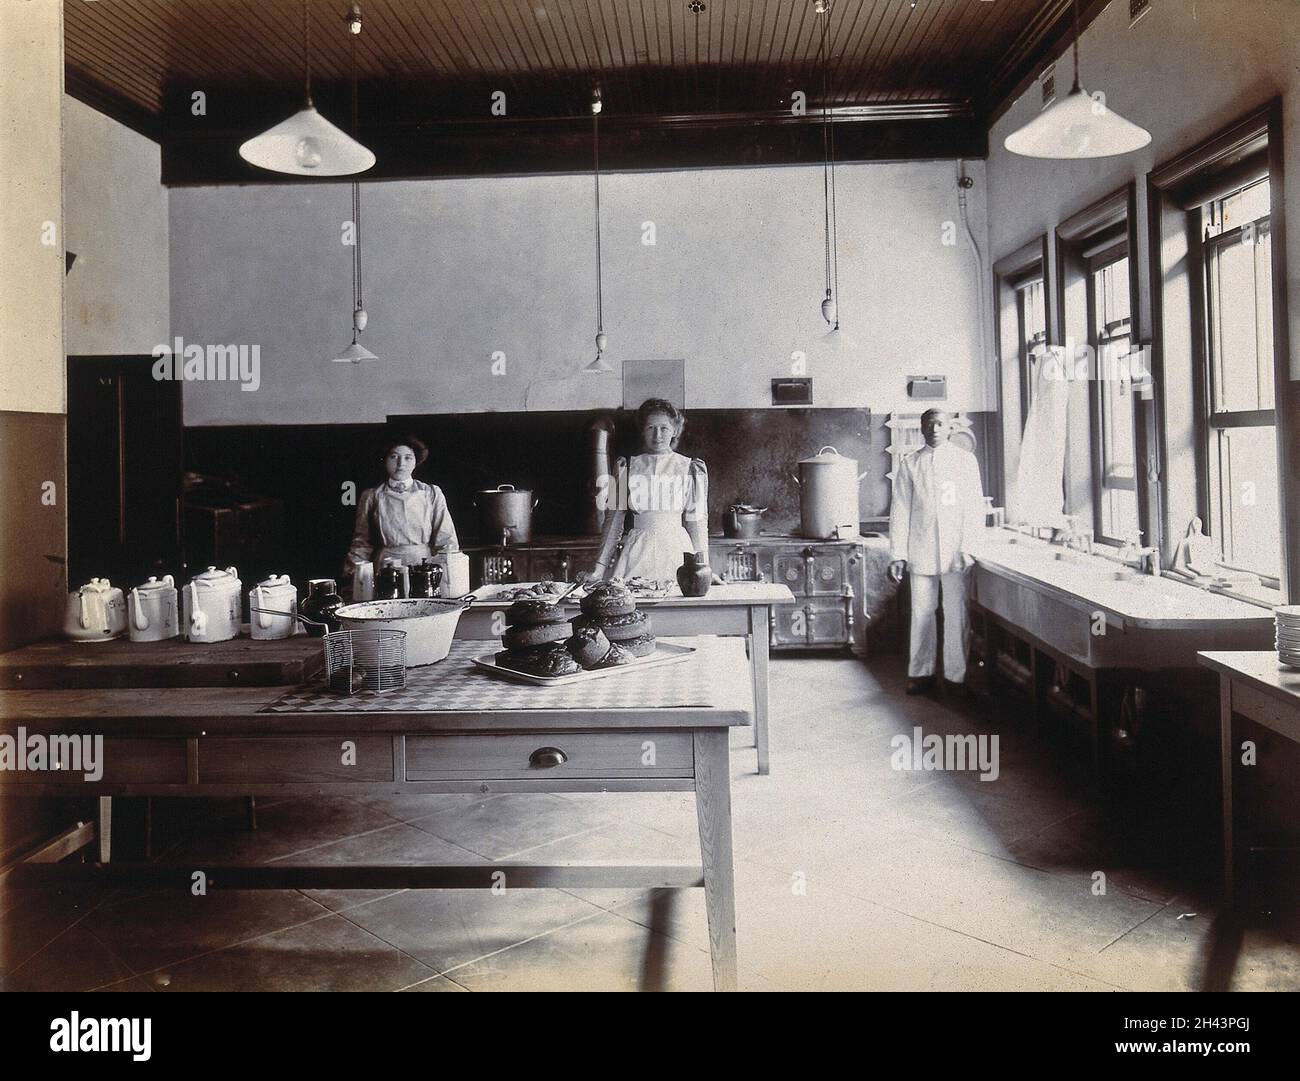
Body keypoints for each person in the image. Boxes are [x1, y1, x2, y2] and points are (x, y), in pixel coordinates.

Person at [888, 409, 985, 695]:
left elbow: (974, 508)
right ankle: (921, 673)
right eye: (928, 424)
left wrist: (969, 547)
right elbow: (901, 510)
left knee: (956, 614)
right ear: (921, 428)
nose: (933, 429)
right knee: (921, 613)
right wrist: (898, 554)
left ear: (949, 428)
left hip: (956, 551)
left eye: (939, 423)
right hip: (921, 550)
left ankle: (956, 678)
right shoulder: (910, 463)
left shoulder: (965, 461)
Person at [588, 399, 721, 584]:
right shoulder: (626, 466)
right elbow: (614, 520)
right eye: (651, 427)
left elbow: (697, 521)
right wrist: (598, 569)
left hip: (677, 550)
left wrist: (703, 568)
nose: (657, 435)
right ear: (643, 430)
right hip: (637, 551)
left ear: (674, 430)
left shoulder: (689, 467)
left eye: (664, 428)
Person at [345, 434, 458, 579]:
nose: (401, 463)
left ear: (416, 461)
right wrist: (355, 576)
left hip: (423, 567)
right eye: (394, 457)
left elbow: (446, 539)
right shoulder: (372, 495)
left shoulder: (431, 493)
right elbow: (361, 543)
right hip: (385, 569)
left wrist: (448, 576)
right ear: (384, 460)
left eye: (408, 457)